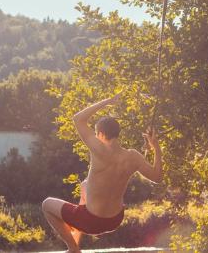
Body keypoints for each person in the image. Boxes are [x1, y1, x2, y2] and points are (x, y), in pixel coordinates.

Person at [42, 93, 163, 253]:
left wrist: (108, 101)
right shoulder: (133, 156)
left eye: (96, 133)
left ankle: (73, 248)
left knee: (47, 204)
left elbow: (78, 119)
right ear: (117, 133)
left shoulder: (98, 149)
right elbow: (157, 177)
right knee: (84, 185)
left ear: (100, 134)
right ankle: (76, 242)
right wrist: (156, 147)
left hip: (91, 221)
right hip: (115, 219)